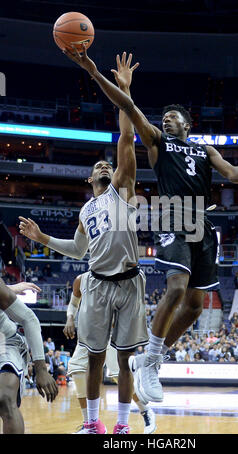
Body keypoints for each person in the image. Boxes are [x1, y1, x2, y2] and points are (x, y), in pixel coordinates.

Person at [62, 44, 238, 404]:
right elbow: (128, 110)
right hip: (173, 213)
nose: (166, 120)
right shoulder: (157, 141)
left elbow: (230, 171)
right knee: (176, 287)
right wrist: (99, 75)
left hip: (203, 221)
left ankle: (150, 359)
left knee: (193, 306)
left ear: (187, 124)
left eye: (173, 117)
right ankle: (150, 362)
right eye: (165, 117)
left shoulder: (204, 150)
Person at [19, 54, 148, 435]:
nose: (104, 167)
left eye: (107, 165)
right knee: (93, 359)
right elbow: (78, 251)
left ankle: (122, 426)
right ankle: (93, 424)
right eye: (98, 167)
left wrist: (124, 90)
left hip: (128, 282)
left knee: (122, 361)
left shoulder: (123, 189)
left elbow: (127, 137)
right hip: (97, 282)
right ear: (89, 180)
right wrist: (42, 239)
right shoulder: (85, 210)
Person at [63, 273, 156, 434]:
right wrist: (70, 318)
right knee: (76, 368)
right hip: (90, 333)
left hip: (113, 334)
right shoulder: (81, 279)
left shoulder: (120, 278)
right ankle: (90, 424)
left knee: (118, 374)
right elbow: (73, 303)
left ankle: (145, 411)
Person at [0, 278, 58, 433]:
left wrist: (41, 369)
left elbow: (28, 318)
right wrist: (11, 287)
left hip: (6, 344)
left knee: (4, 398)